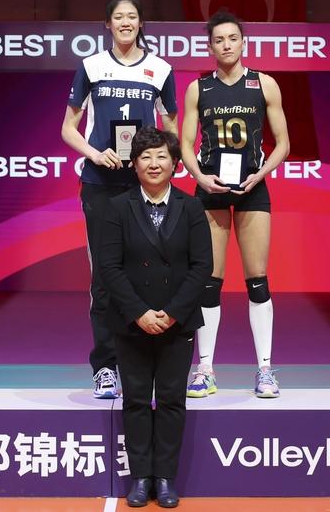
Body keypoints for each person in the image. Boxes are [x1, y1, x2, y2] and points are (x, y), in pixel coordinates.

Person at [60, 0, 178, 399]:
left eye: (132, 16)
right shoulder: (91, 66)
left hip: (146, 187)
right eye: (118, 17)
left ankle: (143, 364)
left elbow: (171, 129)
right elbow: (69, 128)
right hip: (100, 185)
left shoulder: (160, 69)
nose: (126, 22)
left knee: (149, 273)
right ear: (107, 24)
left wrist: (161, 162)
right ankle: (105, 367)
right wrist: (95, 154)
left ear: (141, 23)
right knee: (105, 278)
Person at [99, 126, 212, 508]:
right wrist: (139, 313)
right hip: (131, 322)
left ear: (175, 164)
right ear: (134, 164)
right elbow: (109, 268)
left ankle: (165, 478)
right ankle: (140, 478)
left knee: (171, 400)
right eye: (145, 156)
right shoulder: (117, 208)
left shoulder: (191, 208)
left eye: (162, 156)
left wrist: (173, 313)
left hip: (177, 323)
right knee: (134, 400)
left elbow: (202, 267)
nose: (153, 163)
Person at [180, 10, 290, 399]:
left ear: (243, 42)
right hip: (211, 187)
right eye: (218, 40)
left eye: (232, 38)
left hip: (251, 188)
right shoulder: (199, 88)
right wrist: (199, 176)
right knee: (209, 281)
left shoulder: (265, 84)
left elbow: (284, 143)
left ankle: (265, 370)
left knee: (257, 280)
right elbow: (186, 144)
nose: (226, 45)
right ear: (209, 47)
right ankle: (205, 369)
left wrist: (260, 175)